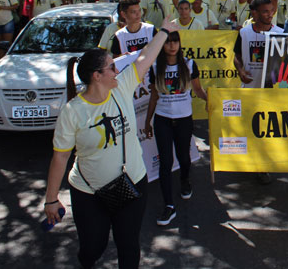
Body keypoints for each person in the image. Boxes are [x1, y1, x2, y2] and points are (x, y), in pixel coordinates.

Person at [43, 15, 180, 269]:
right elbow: (60, 157)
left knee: (129, 245)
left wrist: (163, 31)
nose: (118, 70)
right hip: (88, 193)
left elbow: (144, 58)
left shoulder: (122, 87)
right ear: (97, 76)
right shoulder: (73, 111)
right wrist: (51, 199)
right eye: (111, 67)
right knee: (93, 247)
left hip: (131, 184)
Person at [144, 30, 207, 226]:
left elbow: (197, 89)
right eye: (168, 42)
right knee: (165, 162)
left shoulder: (189, 64)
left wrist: (213, 101)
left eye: (175, 42)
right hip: (162, 120)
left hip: (184, 119)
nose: (172, 45)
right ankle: (169, 206)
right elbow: (154, 96)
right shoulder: (155, 66)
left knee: (184, 158)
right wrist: (147, 121)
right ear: (162, 45)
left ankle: (185, 180)